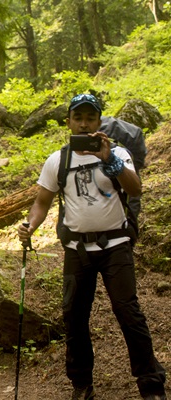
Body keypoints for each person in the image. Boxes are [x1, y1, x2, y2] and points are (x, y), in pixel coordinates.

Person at [17, 94, 166, 400]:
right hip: (77, 250)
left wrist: (108, 159)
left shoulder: (119, 153)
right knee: (74, 316)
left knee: (128, 312)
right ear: (69, 121)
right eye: (78, 118)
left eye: (90, 118)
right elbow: (41, 202)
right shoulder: (58, 160)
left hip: (116, 246)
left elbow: (135, 187)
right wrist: (29, 226)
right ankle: (82, 385)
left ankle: (151, 385)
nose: (84, 124)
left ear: (100, 122)